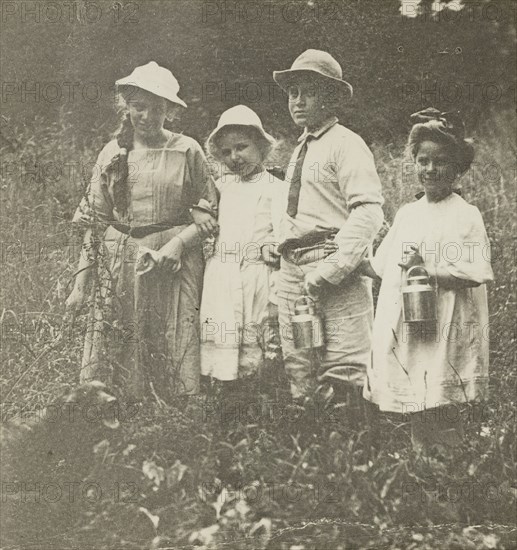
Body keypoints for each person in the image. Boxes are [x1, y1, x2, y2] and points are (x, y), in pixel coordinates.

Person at [66, 61, 218, 401]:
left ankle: (175, 412)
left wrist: (179, 245)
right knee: (119, 333)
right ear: (127, 107)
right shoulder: (112, 153)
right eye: (139, 108)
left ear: (170, 112)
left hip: (172, 262)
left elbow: (210, 210)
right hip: (121, 259)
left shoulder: (187, 150)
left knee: (172, 333)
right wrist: (80, 286)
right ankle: (119, 407)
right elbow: (95, 221)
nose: (147, 117)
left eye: (157, 109)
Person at [360, 108, 494, 452]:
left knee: (442, 398)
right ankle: (423, 465)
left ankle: (454, 466)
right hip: (412, 323)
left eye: (441, 162)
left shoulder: (466, 214)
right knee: (418, 399)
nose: (430, 170)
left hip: (448, 322)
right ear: (414, 163)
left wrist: (428, 269)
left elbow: (476, 272)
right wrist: (345, 258)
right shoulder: (408, 213)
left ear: (458, 167)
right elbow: (382, 266)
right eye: (423, 161)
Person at [272, 49, 384, 402]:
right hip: (293, 269)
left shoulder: (347, 145)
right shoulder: (299, 149)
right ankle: (310, 450)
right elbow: (296, 211)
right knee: (300, 363)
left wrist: (333, 268)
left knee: (346, 365)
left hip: (334, 264)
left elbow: (368, 211)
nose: (299, 101)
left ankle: (355, 449)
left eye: (309, 92)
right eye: (293, 93)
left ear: (332, 97)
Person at [200, 105, 286, 387]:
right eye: (226, 152)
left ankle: (257, 395)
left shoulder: (275, 187)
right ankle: (224, 391)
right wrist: (198, 213)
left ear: (260, 146)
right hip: (222, 275)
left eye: (241, 147)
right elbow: (201, 210)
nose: (235, 157)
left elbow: (283, 229)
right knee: (224, 336)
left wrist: (272, 244)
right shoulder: (222, 186)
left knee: (255, 337)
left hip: (255, 274)